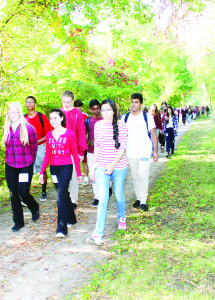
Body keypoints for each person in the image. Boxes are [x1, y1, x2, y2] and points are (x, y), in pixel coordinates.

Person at [88, 99, 128, 245]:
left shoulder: (122, 125)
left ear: (114, 111)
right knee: (103, 199)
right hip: (102, 167)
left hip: (118, 166)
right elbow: (97, 146)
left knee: (118, 195)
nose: (105, 113)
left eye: (108, 110)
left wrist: (113, 165)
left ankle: (121, 218)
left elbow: (122, 148)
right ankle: (98, 233)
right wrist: (93, 167)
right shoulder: (98, 125)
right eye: (102, 110)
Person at [39, 109, 82, 237]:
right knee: (63, 194)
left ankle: (61, 228)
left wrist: (79, 173)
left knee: (60, 197)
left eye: (56, 118)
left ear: (62, 118)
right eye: (51, 118)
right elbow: (47, 154)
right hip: (54, 168)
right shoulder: (48, 135)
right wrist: (42, 172)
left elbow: (75, 154)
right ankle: (72, 218)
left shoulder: (69, 134)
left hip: (66, 167)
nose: (53, 121)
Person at [2, 102, 40, 232]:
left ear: (19, 112)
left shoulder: (29, 128)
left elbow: (34, 148)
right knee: (13, 193)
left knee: (23, 192)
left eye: (15, 112)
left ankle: (34, 207)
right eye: (10, 113)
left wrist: (31, 162)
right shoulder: (5, 128)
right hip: (10, 165)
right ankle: (18, 222)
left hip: (25, 164)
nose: (12, 115)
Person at [122, 93, 158, 211]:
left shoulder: (147, 117)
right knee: (135, 176)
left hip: (144, 151)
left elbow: (153, 134)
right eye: (132, 102)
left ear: (141, 104)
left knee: (143, 174)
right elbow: (121, 136)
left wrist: (155, 151)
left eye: (136, 102)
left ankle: (143, 200)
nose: (133, 104)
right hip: (131, 152)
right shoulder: (125, 118)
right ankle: (138, 197)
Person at [61, 90, 87, 209]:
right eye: (63, 101)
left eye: (68, 102)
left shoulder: (77, 114)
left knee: (74, 175)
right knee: (63, 176)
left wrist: (82, 151)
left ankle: (73, 200)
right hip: (60, 150)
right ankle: (64, 197)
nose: (66, 104)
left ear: (72, 101)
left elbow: (81, 132)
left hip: (73, 149)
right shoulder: (59, 113)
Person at [25, 96, 52, 201]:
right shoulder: (23, 118)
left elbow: (48, 133)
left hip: (40, 146)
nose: (30, 103)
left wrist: (37, 141)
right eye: (28, 102)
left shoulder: (41, 116)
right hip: (27, 148)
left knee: (42, 168)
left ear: (35, 104)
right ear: (26, 104)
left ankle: (44, 190)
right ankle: (26, 192)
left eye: (32, 102)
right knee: (27, 169)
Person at [85, 100, 103, 207]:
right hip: (91, 151)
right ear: (91, 109)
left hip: (104, 151)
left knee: (104, 173)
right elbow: (84, 135)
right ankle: (97, 197)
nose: (96, 110)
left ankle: (106, 189)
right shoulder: (88, 121)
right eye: (94, 108)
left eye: (98, 108)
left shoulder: (105, 119)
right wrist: (89, 141)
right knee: (94, 174)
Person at [74, 99, 89, 185]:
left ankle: (86, 177)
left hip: (83, 141)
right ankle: (76, 176)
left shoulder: (85, 116)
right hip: (73, 142)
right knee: (75, 160)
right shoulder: (71, 114)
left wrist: (85, 139)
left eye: (80, 109)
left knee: (84, 160)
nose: (78, 111)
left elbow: (87, 128)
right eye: (77, 109)